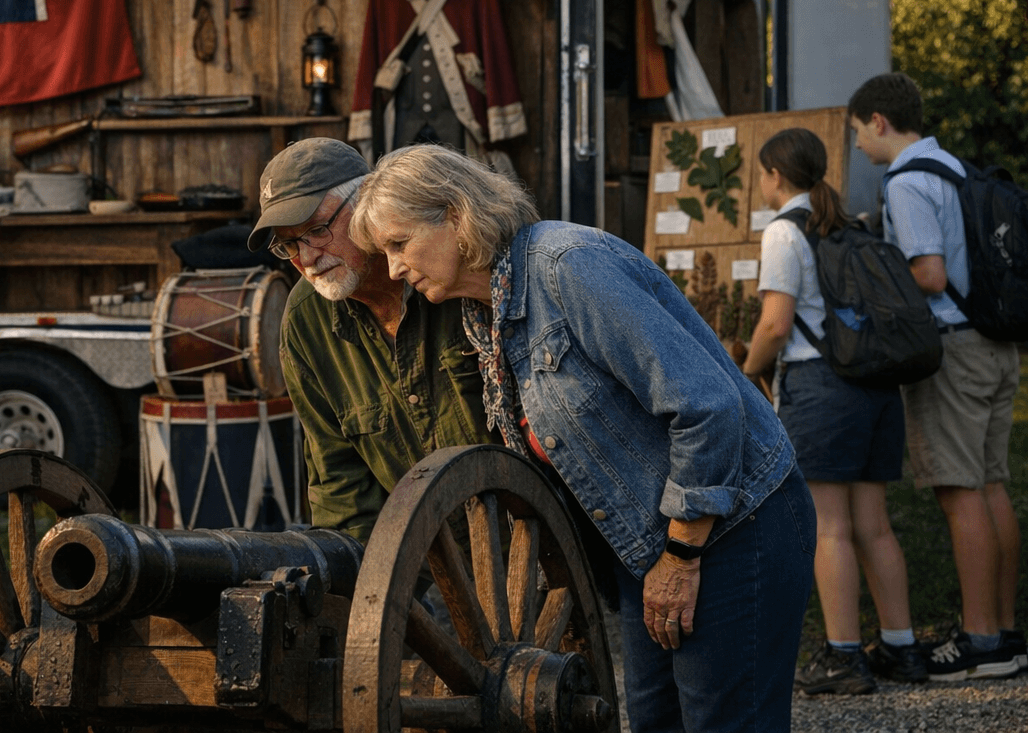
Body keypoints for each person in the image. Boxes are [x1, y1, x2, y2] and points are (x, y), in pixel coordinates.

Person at [351, 143, 814, 733]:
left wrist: (681, 555)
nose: (394, 269)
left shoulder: (567, 267)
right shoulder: (483, 312)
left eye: (399, 244)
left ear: (454, 214)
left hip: (734, 528)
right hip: (652, 550)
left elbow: (707, 405)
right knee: (654, 722)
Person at [848, 72, 1025, 679]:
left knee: (959, 493)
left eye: (857, 135)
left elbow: (926, 273)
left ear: (878, 121)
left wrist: (874, 279)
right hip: (994, 343)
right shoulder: (954, 167)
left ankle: (977, 641)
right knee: (993, 485)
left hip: (950, 346)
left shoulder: (906, 181)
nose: (858, 149)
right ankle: (1003, 633)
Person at [740, 128, 925, 693]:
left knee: (831, 530)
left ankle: (844, 657)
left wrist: (746, 375)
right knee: (875, 525)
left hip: (821, 389)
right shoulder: (845, 224)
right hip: (874, 388)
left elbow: (775, 323)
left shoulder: (782, 233)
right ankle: (902, 648)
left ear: (774, 175)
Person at [246, 138, 497, 545]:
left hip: (537, 538)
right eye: (289, 244)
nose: (307, 258)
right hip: (424, 561)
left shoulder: (455, 270)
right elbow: (339, 482)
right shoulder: (306, 322)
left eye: (317, 230)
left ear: (366, 203)